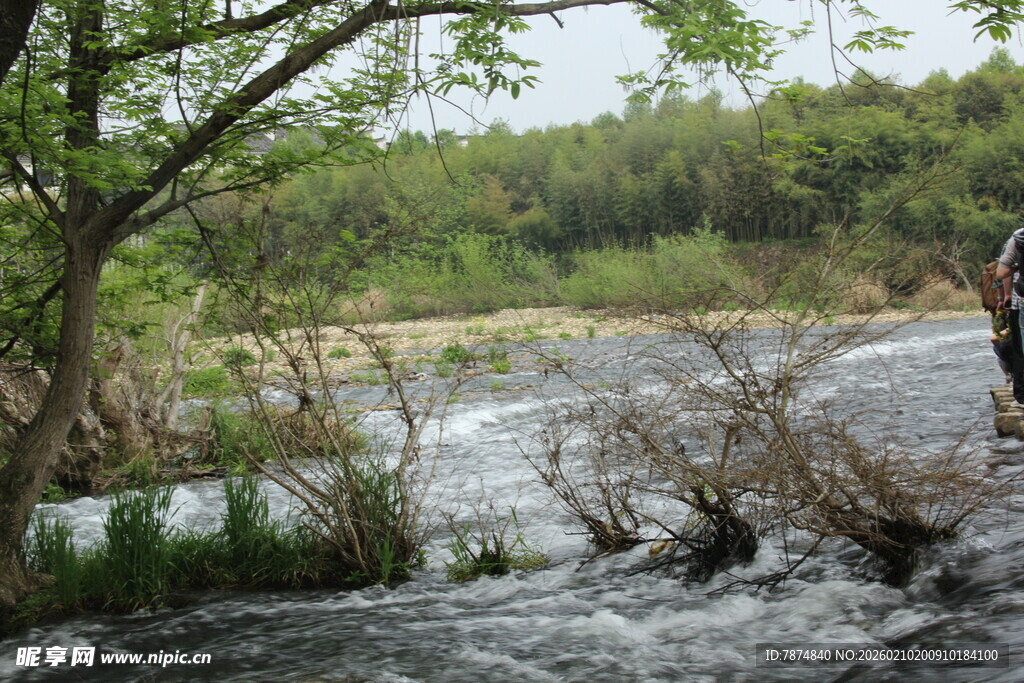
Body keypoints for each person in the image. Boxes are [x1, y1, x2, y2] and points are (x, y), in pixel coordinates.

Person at [995, 228, 1024, 407]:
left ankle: (1021, 396)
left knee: (1021, 350)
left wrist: (1003, 296)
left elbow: (1000, 274)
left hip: (1020, 301)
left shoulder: (1018, 237)